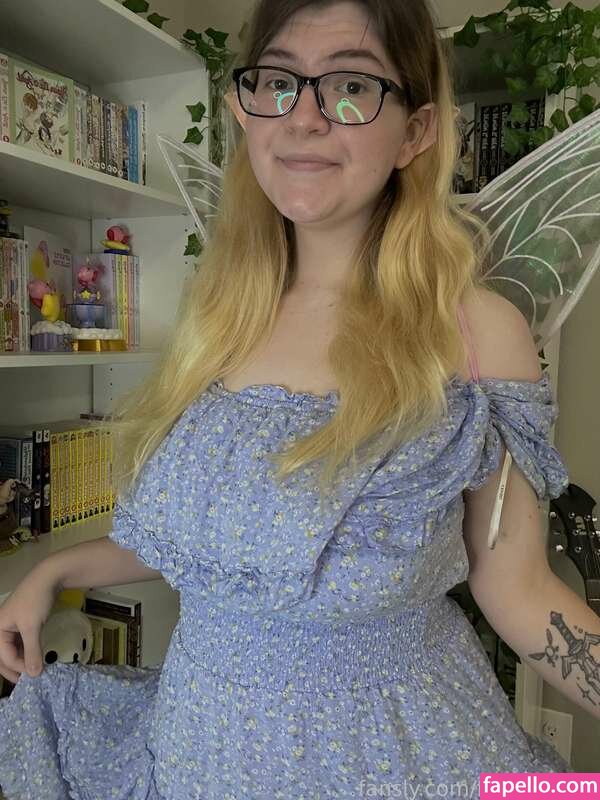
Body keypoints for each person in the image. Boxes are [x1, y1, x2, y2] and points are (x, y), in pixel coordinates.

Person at [1, 1, 599, 797]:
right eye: (279, 82)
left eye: (351, 86)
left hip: (403, 760)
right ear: (246, 109)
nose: (305, 117)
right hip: (198, 756)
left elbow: (517, 589)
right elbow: (223, 549)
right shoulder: (221, 317)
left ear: (416, 131)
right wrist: (55, 570)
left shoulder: (474, 332)